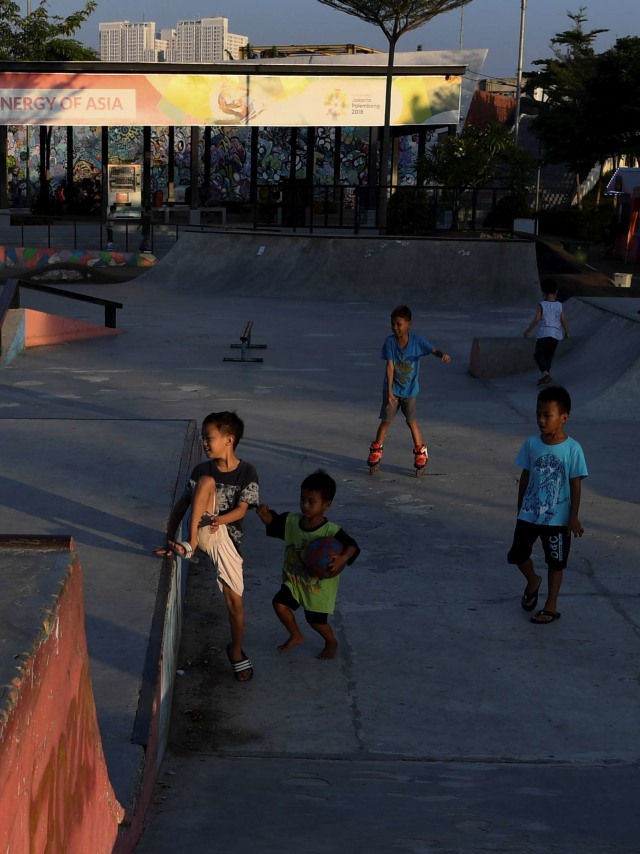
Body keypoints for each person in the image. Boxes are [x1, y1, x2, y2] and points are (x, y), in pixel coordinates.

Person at [155, 411, 259, 681]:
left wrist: (219, 519)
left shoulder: (247, 472)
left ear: (229, 439)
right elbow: (183, 503)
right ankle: (189, 546)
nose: (204, 443)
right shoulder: (203, 470)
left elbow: (243, 510)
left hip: (227, 538)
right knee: (206, 482)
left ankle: (235, 651)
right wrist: (171, 539)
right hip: (200, 531)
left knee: (235, 602)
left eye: (209, 438)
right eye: (203, 438)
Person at [256, 469, 360, 660]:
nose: (305, 504)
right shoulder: (292, 521)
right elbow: (275, 522)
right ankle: (296, 634)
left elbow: (352, 546)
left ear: (326, 505)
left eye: (311, 501)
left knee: (316, 621)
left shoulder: (331, 530)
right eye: (302, 499)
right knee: (279, 604)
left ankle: (331, 641)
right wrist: (265, 517)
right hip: (294, 581)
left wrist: (342, 559)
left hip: (317, 588)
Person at [507, 385, 588, 625]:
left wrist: (573, 516)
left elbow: (575, 485)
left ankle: (550, 605)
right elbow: (525, 476)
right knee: (517, 555)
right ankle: (533, 580)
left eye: (547, 415)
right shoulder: (531, 444)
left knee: (556, 562)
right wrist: (520, 506)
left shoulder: (573, 449)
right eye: (538, 414)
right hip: (529, 515)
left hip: (557, 519)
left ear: (564, 417)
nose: (541, 420)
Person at [367, 304, 451, 472]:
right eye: (393, 324)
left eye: (399, 324)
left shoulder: (418, 341)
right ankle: (377, 450)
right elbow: (390, 367)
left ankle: (421, 451)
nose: (395, 328)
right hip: (392, 391)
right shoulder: (389, 342)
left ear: (409, 324)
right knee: (385, 422)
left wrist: (442, 355)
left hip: (410, 391)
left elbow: (432, 349)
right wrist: (389, 391)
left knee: (411, 422)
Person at [523, 278, 570, 386]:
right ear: (556, 291)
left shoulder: (542, 305)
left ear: (543, 292)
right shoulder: (559, 305)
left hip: (544, 334)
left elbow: (536, 319)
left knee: (538, 354)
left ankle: (545, 374)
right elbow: (563, 320)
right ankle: (546, 375)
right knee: (549, 356)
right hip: (555, 335)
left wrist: (527, 331)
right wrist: (567, 332)